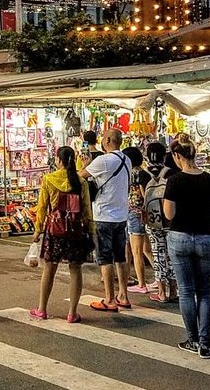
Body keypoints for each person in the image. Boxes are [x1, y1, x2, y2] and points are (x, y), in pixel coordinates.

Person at [162, 136, 210, 359]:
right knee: (204, 292)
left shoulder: (174, 181)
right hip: (205, 237)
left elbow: (168, 214)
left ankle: (192, 340)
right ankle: (206, 344)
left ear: (177, 156)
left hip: (179, 237)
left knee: (186, 292)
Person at [31, 145, 93, 323]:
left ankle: (42, 309)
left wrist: (37, 230)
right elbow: (87, 210)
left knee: (49, 268)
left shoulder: (49, 179)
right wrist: (90, 231)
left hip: (54, 230)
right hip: (75, 231)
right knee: (76, 270)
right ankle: (72, 313)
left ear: (58, 160)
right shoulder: (80, 182)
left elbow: (42, 208)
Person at [82, 127, 132, 312]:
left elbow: (81, 176)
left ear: (109, 140)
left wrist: (86, 164)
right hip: (121, 215)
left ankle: (110, 299)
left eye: (104, 137)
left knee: (105, 257)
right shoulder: (126, 159)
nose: (102, 140)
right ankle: (123, 295)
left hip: (104, 214)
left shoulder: (103, 161)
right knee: (120, 256)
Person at [146, 143, 179, 303]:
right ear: (164, 156)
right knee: (172, 254)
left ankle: (161, 293)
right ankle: (173, 291)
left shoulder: (144, 173)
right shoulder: (171, 173)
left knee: (158, 253)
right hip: (170, 218)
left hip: (153, 220)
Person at [123, 146, 152, 294]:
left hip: (135, 213)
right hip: (140, 214)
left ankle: (141, 284)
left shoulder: (133, 174)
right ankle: (161, 278)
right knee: (146, 249)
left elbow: (143, 195)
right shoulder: (143, 173)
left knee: (136, 251)